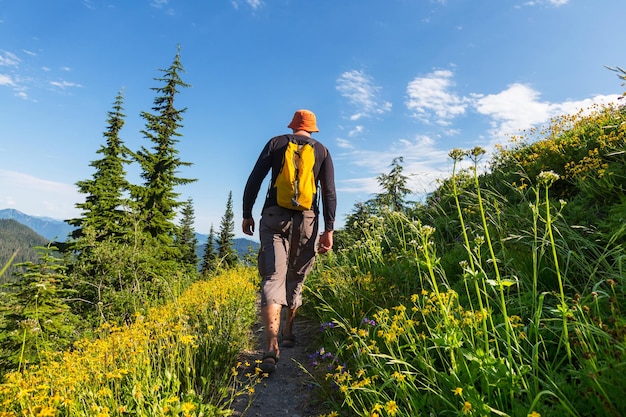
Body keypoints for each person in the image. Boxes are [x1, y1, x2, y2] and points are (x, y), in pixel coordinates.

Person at [242, 109, 336, 374]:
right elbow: (329, 192)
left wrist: (247, 213)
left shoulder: (276, 143)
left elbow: (255, 179)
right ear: (313, 129)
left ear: (293, 126)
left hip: (273, 215)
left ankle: (271, 347)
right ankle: (288, 330)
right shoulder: (322, 151)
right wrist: (328, 229)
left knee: (273, 277)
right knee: (296, 276)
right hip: (306, 220)